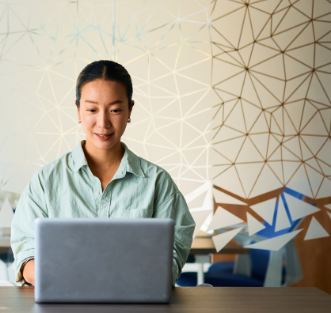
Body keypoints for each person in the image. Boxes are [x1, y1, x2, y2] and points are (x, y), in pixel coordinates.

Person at [11, 60, 195, 286]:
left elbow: (174, 251)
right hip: (62, 310)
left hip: (138, 310)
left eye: (115, 110)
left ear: (130, 109)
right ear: (78, 110)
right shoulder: (46, 181)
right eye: (91, 110)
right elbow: (26, 252)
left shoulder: (158, 182)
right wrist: (75, 280)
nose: (103, 123)